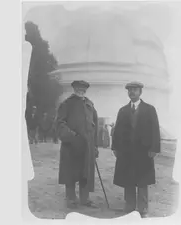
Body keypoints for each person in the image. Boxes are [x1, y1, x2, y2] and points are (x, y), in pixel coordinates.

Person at [111, 81, 161, 218]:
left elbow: (155, 130)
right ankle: (130, 206)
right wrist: (115, 147)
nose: (132, 92)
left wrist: (154, 148)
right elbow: (117, 131)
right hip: (127, 152)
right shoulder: (123, 111)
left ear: (140, 92)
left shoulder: (149, 109)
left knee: (143, 180)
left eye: (135, 90)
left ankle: (143, 208)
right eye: (130, 90)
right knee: (128, 179)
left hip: (144, 151)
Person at [55, 80, 99, 209]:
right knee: (71, 173)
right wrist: (72, 137)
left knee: (85, 173)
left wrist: (95, 146)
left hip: (87, 146)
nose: (81, 90)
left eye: (83, 88)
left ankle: (85, 199)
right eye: (78, 88)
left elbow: (94, 126)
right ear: (74, 88)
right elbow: (60, 124)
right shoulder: (67, 104)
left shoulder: (90, 104)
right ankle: (71, 199)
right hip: (71, 145)